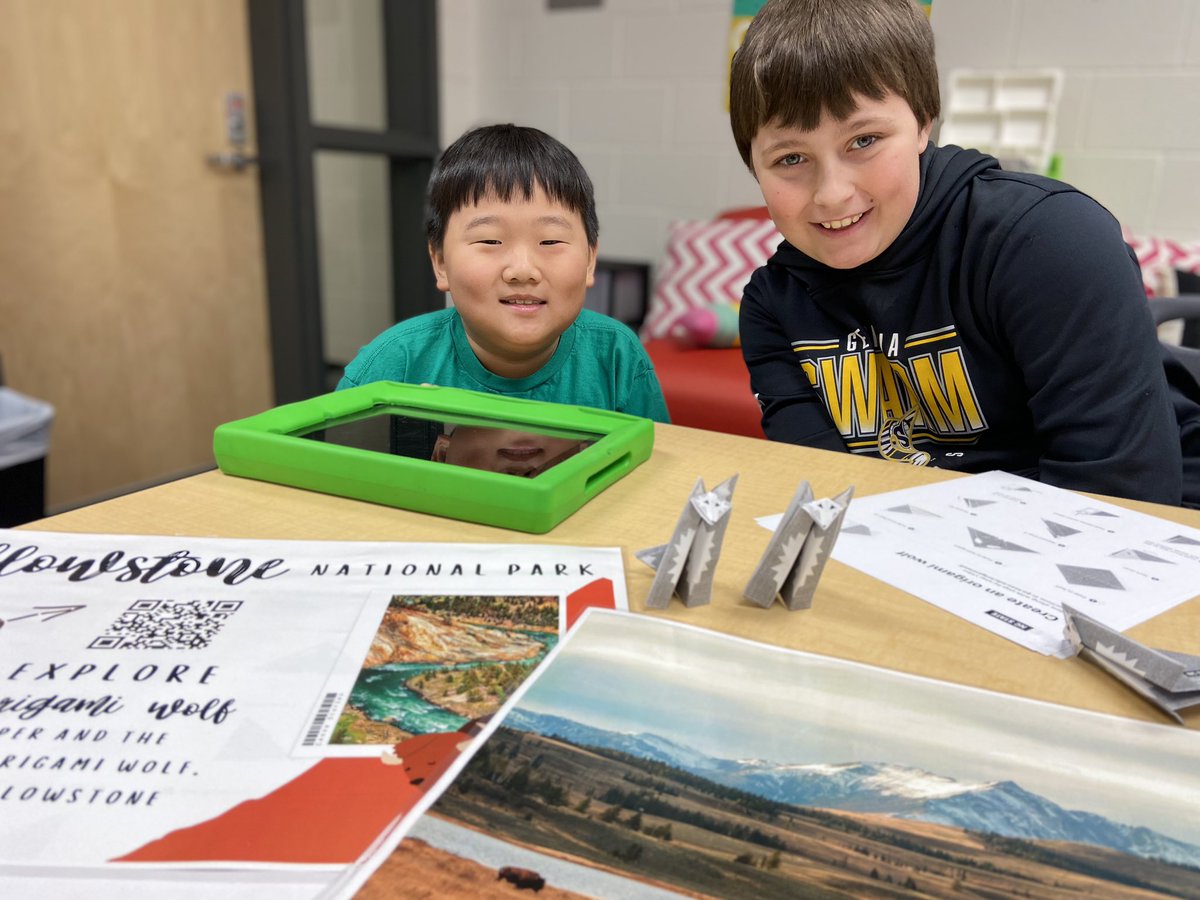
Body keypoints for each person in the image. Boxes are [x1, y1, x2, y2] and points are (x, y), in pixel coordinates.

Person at [729, 0, 1200, 507]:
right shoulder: (772, 305)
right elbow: (827, 495)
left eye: (864, 139)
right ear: (754, 167)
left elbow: (1117, 503)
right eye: (790, 158)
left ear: (924, 123)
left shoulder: (1048, 240)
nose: (832, 193)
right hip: (937, 543)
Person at [338, 124, 670, 424]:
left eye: (551, 240)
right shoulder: (394, 365)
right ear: (440, 262)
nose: (523, 270)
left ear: (589, 260)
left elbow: (658, 476)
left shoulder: (616, 356)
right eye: (490, 240)